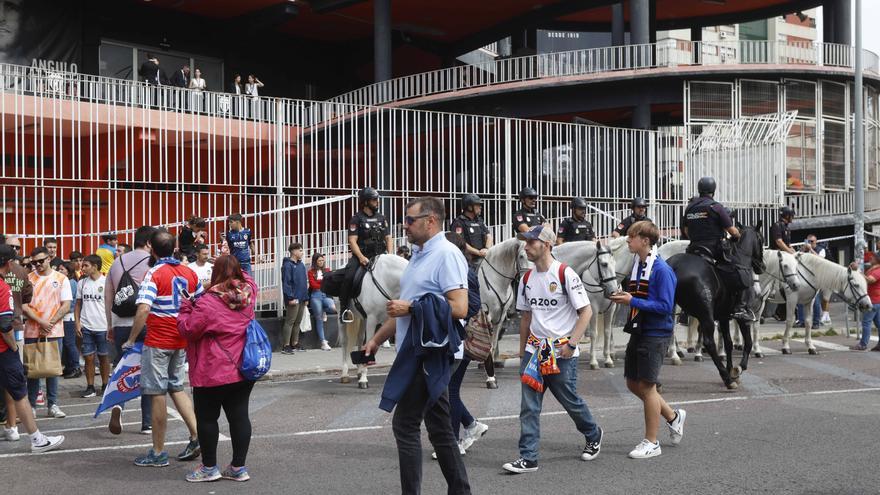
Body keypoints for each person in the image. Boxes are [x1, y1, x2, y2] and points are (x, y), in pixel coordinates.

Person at [363, 197, 471, 494]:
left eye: (410, 220)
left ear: (431, 221)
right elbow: (402, 308)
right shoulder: (418, 255)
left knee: (405, 424)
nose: (404, 225)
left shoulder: (447, 254)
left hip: (432, 353)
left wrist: (411, 309)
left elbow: (459, 307)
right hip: (416, 351)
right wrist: (376, 339)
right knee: (440, 429)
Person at [502, 224, 602, 474]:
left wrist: (572, 343)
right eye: (525, 242)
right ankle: (529, 457)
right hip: (535, 351)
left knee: (570, 402)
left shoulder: (565, 274)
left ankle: (593, 433)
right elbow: (525, 317)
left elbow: (586, 311)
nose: (525, 247)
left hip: (561, 352)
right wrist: (523, 351)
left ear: (546, 245)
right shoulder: (526, 278)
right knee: (529, 406)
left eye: (531, 243)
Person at [125, 230, 202, 467]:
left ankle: (158, 452)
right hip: (181, 339)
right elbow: (199, 304)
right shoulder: (190, 272)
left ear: (152, 249)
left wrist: (131, 339)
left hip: (158, 340)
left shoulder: (154, 273)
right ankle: (197, 436)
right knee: (177, 387)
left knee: (157, 392)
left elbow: (144, 309)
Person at [177, 255, 258, 482]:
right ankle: (238, 467)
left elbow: (188, 330)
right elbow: (247, 278)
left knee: (207, 419)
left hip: (212, 370)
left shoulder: (208, 302)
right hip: (243, 366)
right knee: (240, 416)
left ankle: (209, 468)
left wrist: (185, 306)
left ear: (215, 275)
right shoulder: (249, 292)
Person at [609, 221, 686, 459]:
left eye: (631, 237)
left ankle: (652, 442)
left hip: (655, 333)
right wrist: (626, 297)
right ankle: (674, 417)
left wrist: (632, 301)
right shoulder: (639, 265)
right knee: (633, 383)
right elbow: (640, 295)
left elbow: (665, 306)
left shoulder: (661, 270)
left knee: (647, 387)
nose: (628, 241)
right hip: (639, 330)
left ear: (645, 240)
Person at [0, 245, 65, 453]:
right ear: (9, 263)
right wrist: (11, 346)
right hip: (3, 350)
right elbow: (4, 325)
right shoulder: (3, 288)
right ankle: (37, 439)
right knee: (20, 392)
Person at [104, 225, 156, 435]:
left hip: (120, 323)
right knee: (148, 370)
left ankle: (118, 405)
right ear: (150, 243)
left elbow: (108, 296)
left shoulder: (117, 263)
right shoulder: (152, 262)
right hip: (146, 321)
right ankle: (147, 422)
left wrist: (109, 325)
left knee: (121, 366)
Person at [442, 232, 489, 456]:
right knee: (447, 390)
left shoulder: (465, 272)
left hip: (462, 338)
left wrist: (452, 314)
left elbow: (473, 306)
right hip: (453, 338)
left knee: (449, 390)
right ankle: (471, 426)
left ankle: (455, 441)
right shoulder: (455, 270)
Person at [680, 177, 750, 320]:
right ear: (713, 190)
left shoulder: (690, 208)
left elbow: (686, 231)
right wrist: (737, 235)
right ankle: (740, 308)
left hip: (693, 249)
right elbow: (732, 231)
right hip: (713, 249)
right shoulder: (716, 207)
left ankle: (684, 312)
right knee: (740, 271)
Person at [22, 246, 69, 418]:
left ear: (49, 258)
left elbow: (66, 305)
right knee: (32, 370)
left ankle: (53, 404)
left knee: (53, 370)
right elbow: (24, 306)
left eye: (41, 261)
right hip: (32, 330)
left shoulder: (61, 278)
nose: (38, 265)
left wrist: (49, 323)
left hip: (55, 330)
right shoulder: (28, 278)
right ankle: (32, 405)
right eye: (34, 262)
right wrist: (41, 322)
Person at [340, 187, 392, 323]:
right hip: (362, 258)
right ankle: (345, 310)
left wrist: (390, 255)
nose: (377, 202)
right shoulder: (356, 219)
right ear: (365, 202)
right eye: (374, 200)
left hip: (381, 257)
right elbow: (352, 241)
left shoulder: (382, 218)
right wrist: (361, 257)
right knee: (348, 276)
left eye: (377, 199)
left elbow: (388, 238)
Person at [1, 236, 32, 438]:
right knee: (16, 386)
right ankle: (15, 427)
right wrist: (12, 346)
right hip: (12, 331)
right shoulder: (20, 273)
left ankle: (12, 425)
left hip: (12, 329)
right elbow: (28, 297)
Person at [75, 255, 110, 398]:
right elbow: (77, 304)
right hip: (86, 326)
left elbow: (111, 305)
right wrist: (77, 323)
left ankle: (105, 385)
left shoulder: (107, 282)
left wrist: (111, 325)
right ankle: (90, 387)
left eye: (86, 266)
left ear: (95, 266)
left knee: (104, 358)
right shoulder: (82, 283)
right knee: (88, 358)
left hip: (103, 326)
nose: (82, 268)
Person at [449, 194, 493, 268]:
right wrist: (478, 253)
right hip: (467, 261)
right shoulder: (459, 223)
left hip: (482, 257)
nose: (480, 207)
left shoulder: (479, 220)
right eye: (477, 205)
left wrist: (486, 249)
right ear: (469, 207)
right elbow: (461, 243)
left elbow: (489, 236)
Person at [280, 243, 308, 354]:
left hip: (301, 297)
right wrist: (290, 297)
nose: (302, 252)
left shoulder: (301, 265)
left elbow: (304, 282)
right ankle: (285, 345)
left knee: (298, 322)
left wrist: (306, 297)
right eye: (300, 250)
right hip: (293, 298)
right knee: (290, 322)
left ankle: (295, 343)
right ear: (293, 251)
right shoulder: (287, 265)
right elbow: (286, 283)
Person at [852, 251, 880, 351]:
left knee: (866, 322)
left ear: (877, 259)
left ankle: (863, 344)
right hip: (875, 300)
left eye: (873, 257)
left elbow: (870, 280)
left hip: (874, 300)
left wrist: (858, 271)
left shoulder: (878, 270)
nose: (870, 258)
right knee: (878, 323)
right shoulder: (873, 268)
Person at [795, 234, 825, 328]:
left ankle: (816, 322)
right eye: (808, 241)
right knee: (800, 299)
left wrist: (811, 250)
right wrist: (803, 250)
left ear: (816, 241)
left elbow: (820, 260)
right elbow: (795, 258)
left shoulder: (821, 250)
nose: (810, 243)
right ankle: (801, 320)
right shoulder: (803, 250)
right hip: (803, 277)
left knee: (815, 299)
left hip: (815, 278)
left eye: (812, 241)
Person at [307, 253, 336, 351]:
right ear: (315, 261)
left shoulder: (327, 270)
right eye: (319, 261)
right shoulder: (311, 272)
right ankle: (323, 341)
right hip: (315, 296)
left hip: (325, 294)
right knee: (319, 318)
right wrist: (323, 283)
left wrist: (322, 283)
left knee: (333, 308)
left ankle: (323, 309)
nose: (321, 262)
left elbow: (329, 282)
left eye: (322, 260)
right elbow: (313, 285)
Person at [59, 261, 82, 379]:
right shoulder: (64, 281)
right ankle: (68, 367)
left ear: (68, 271)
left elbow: (71, 303)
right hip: (64, 317)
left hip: (69, 317)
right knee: (66, 344)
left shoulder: (71, 283)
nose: (59, 271)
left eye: (62, 269)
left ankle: (75, 367)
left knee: (69, 343)